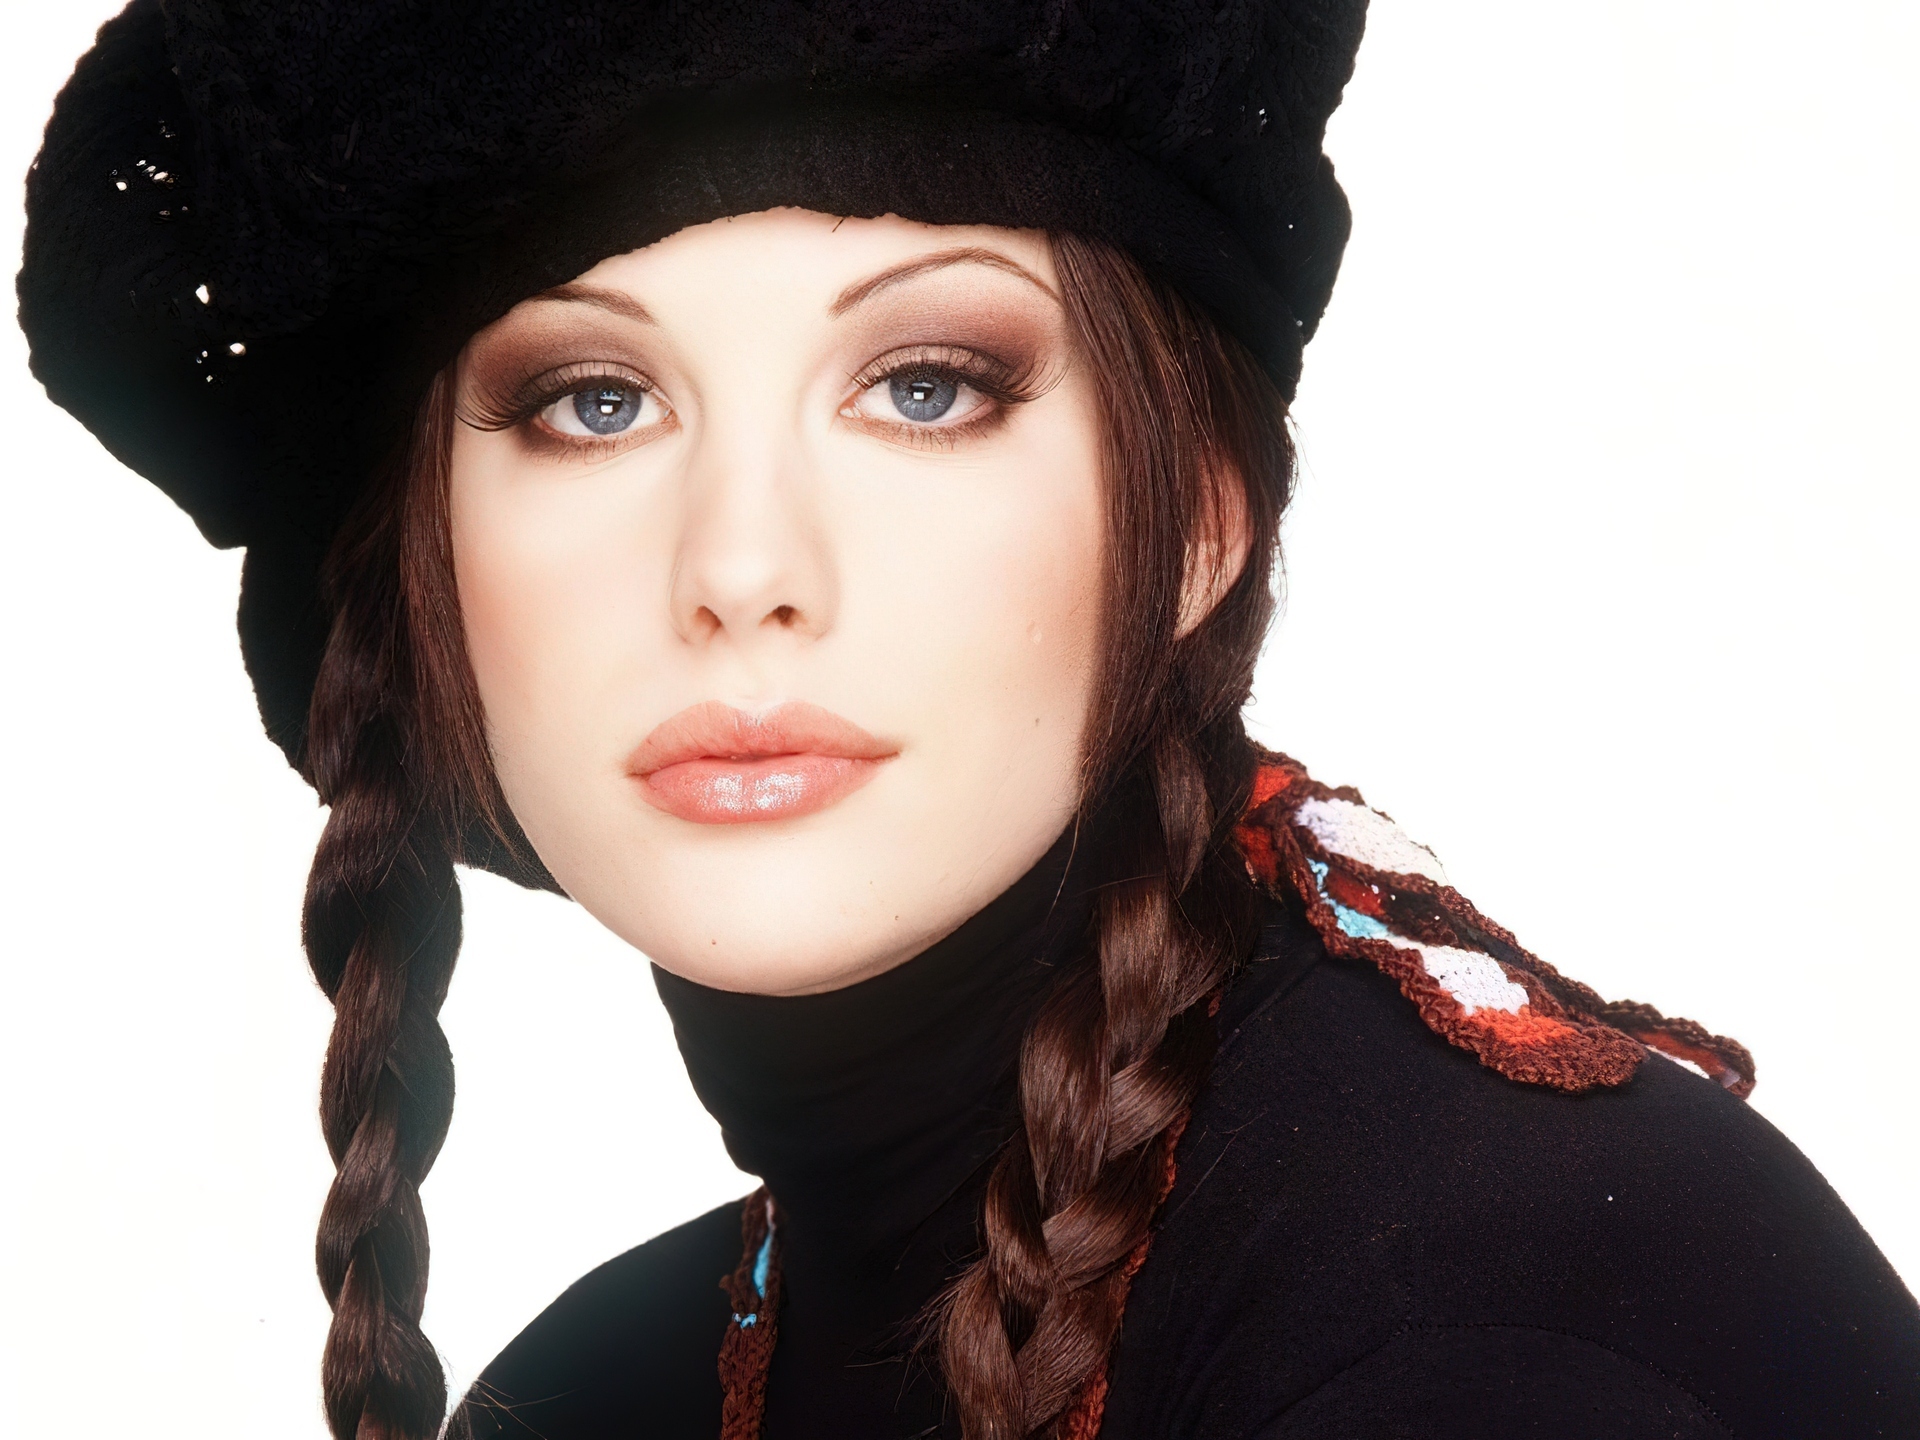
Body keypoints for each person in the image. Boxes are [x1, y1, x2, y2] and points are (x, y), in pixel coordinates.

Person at [18, 3, 1918, 1439]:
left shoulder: (1496, 1327)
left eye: (925, 385)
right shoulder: (605, 1387)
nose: (740, 565)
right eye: (593, 401)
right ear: (427, 559)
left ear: (1199, 526)